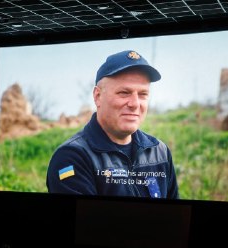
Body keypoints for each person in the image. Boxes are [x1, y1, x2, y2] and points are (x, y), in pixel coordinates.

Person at [47, 50, 179, 198]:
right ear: (98, 97)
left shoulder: (159, 152)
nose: (135, 104)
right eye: (124, 92)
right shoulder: (73, 157)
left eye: (143, 94)